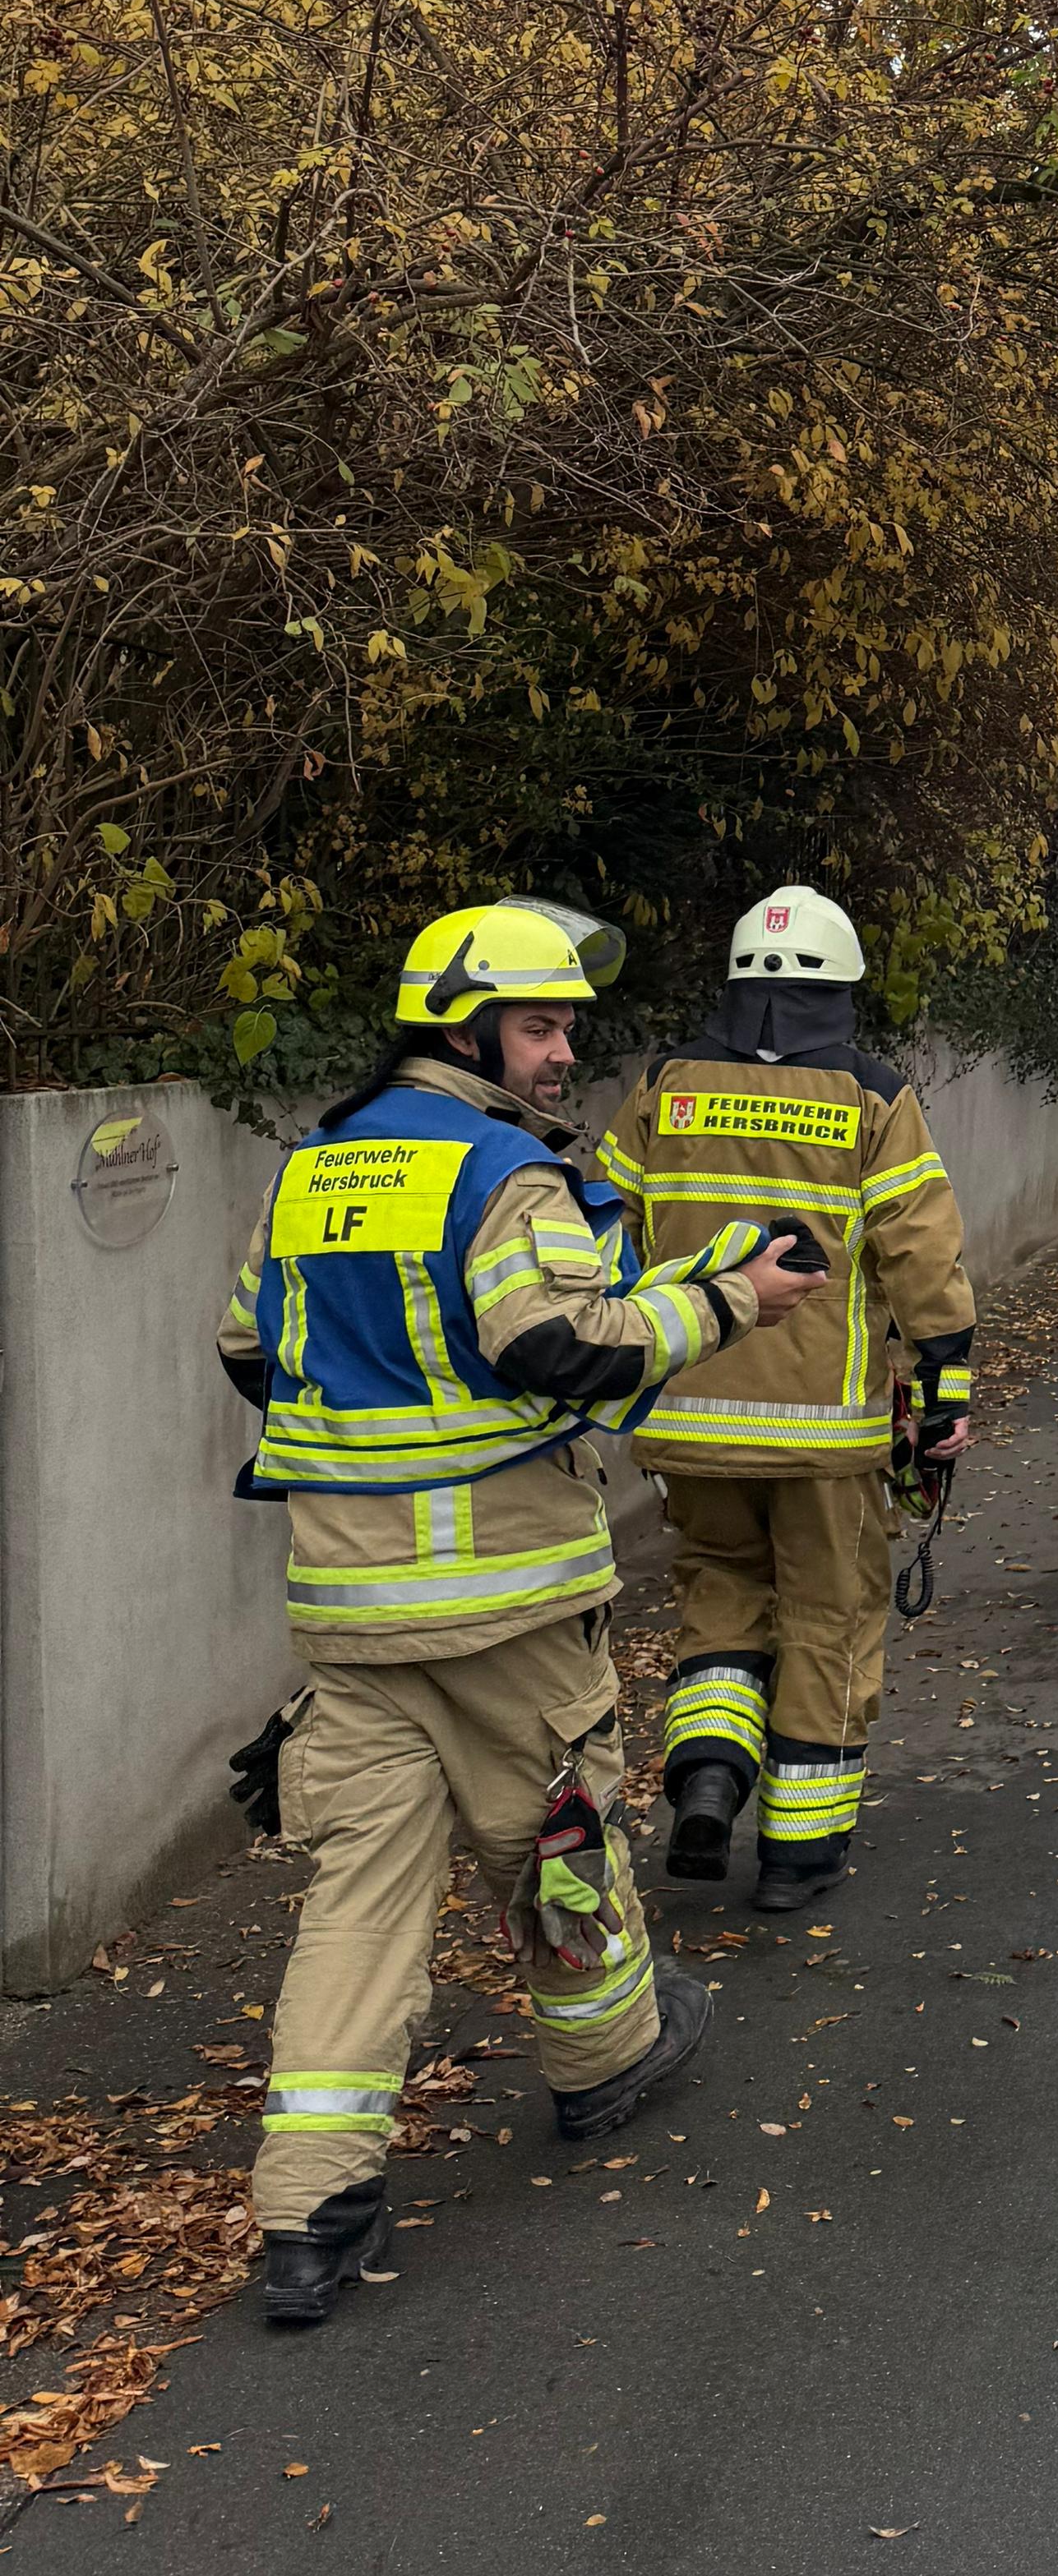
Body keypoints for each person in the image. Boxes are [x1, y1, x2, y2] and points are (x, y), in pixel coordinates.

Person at [217, 897, 824, 2330]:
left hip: (349, 1608)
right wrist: (730, 1300)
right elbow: (559, 1349)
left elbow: (255, 1350)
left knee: (360, 1893)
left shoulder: (312, 1170)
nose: (562, 1056)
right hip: (503, 1601)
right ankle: (607, 2055)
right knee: (558, 1834)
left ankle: (308, 2211)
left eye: (564, 1028)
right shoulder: (501, 1172)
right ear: (469, 1028)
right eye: (542, 1027)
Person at [597, 884, 976, 1913]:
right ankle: (801, 1852)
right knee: (830, 1614)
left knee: (719, 1590)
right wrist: (946, 1390)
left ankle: (710, 1775)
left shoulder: (665, 1082)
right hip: (826, 1427)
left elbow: (604, 1216)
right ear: (843, 986)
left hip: (686, 1411)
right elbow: (920, 1252)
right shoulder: (869, 1093)